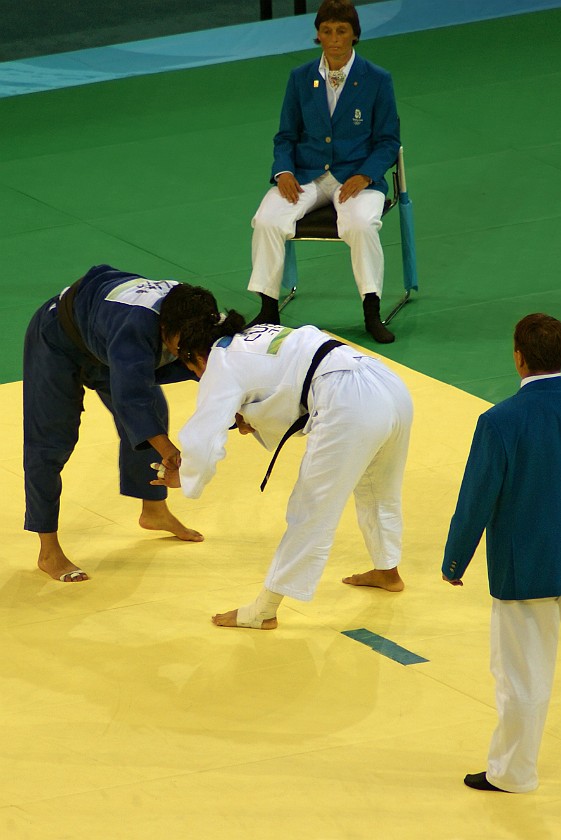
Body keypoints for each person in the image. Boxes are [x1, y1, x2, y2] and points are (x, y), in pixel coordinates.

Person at [151, 287, 413, 629]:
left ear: (187, 350)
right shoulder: (254, 336)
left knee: (311, 508)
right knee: (379, 486)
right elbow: (290, 389)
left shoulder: (220, 361)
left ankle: (263, 610)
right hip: (386, 383)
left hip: (347, 399)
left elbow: (203, 438)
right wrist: (252, 419)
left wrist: (184, 476)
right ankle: (387, 570)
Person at [23, 264, 207, 584]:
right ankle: (48, 550)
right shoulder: (137, 329)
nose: (186, 357)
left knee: (154, 413)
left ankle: (153, 512)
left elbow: (219, 373)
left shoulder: (199, 318)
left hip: (101, 338)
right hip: (57, 339)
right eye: (182, 351)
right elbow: (131, 400)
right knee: (50, 443)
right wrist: (171, 454)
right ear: (164, 329)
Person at [442, 313, 561, 793]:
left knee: (523, 677)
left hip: (527, 568)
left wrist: (455, 561)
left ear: (519, 357)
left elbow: (476, 499)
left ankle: (513, 773)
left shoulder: (500, 421)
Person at [247, 0, 400, 344]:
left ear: (355, 35)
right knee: (267, 219)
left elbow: (388, 141)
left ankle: (371, 310)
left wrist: (365, 175)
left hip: (358, 177)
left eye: (341, 31)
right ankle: (268, 307)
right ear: (318, 35)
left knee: (360, 224)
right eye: (327, 31)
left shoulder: (377, 80)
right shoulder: (300, 78)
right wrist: (283, 171)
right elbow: (286, 135)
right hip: (307, 174)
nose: (334, 38)